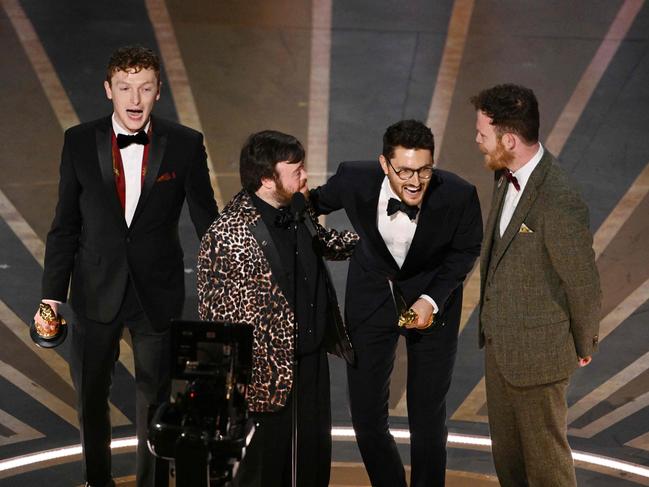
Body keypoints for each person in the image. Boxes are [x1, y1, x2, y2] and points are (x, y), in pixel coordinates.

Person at [35, 45, 218, 487]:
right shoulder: (78, 141)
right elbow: (65, 225)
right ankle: (97, 480)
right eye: (125, 88)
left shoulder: (186, 144)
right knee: (91, 398)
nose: (135, 100)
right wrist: (51, 297)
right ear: (108, 91)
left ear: (159, 92)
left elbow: (208, 223)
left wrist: (235, 278)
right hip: (94, 290)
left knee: (155, 401)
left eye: (145, 88)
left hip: (157, 292)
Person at [309, 119, 483, 487]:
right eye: (404, 170)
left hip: (433, 306)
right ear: (384, 164)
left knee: (428, 415)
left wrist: (431, 299)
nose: (415, 181)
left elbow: (466, 250)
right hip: (370, 301)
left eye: (424, 169)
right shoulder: (354, 178)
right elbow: (310, 205)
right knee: (367, 417)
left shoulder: (458, 195)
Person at [196, 130, 358, 487]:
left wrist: (369, 245)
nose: (305, 178)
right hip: (266, 382)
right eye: (297, 170)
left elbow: (321, 244)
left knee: (313, 465)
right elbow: (220, 327)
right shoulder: (227, 236)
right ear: (268, 178)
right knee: (268, 473)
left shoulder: (296, 208)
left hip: (311, 364)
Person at [471, 83, 601, 486]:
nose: (476, 141)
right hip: (501, 351)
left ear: (509, 139)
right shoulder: (504, 175)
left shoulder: (558, 198)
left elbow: (583, 282)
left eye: (482, 133)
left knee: (547, 472)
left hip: (539, 360)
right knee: (510, 467)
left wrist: (584, 344)